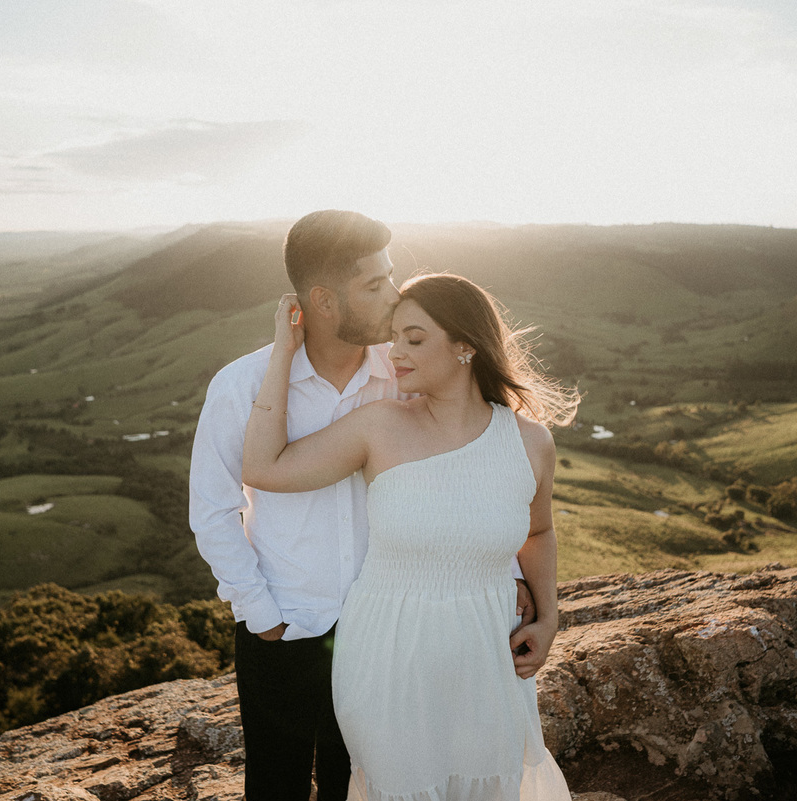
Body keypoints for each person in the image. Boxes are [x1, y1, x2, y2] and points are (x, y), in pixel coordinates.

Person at [189, 211, 536, 800]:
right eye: (374, 285)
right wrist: (260, 613)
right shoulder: (242, 386)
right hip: (287, 623)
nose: (395, 296)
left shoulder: (406, 374)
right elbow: (214, 510)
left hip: (391, 631)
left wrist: (507, 576)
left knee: (363, 784)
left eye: (390, 276)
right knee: (276, 786)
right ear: (324, 301)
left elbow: (464, 477)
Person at [241, 272, 578, 801]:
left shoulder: (530, 442)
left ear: (466, 347)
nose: (394, 353)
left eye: (414, 339)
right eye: (394, 336)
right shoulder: (378, 427)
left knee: (490, 786)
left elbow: (538, 531)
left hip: (487, 651)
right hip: (387, 653)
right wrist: (284, 352)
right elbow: (264, 467)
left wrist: (550, 615)